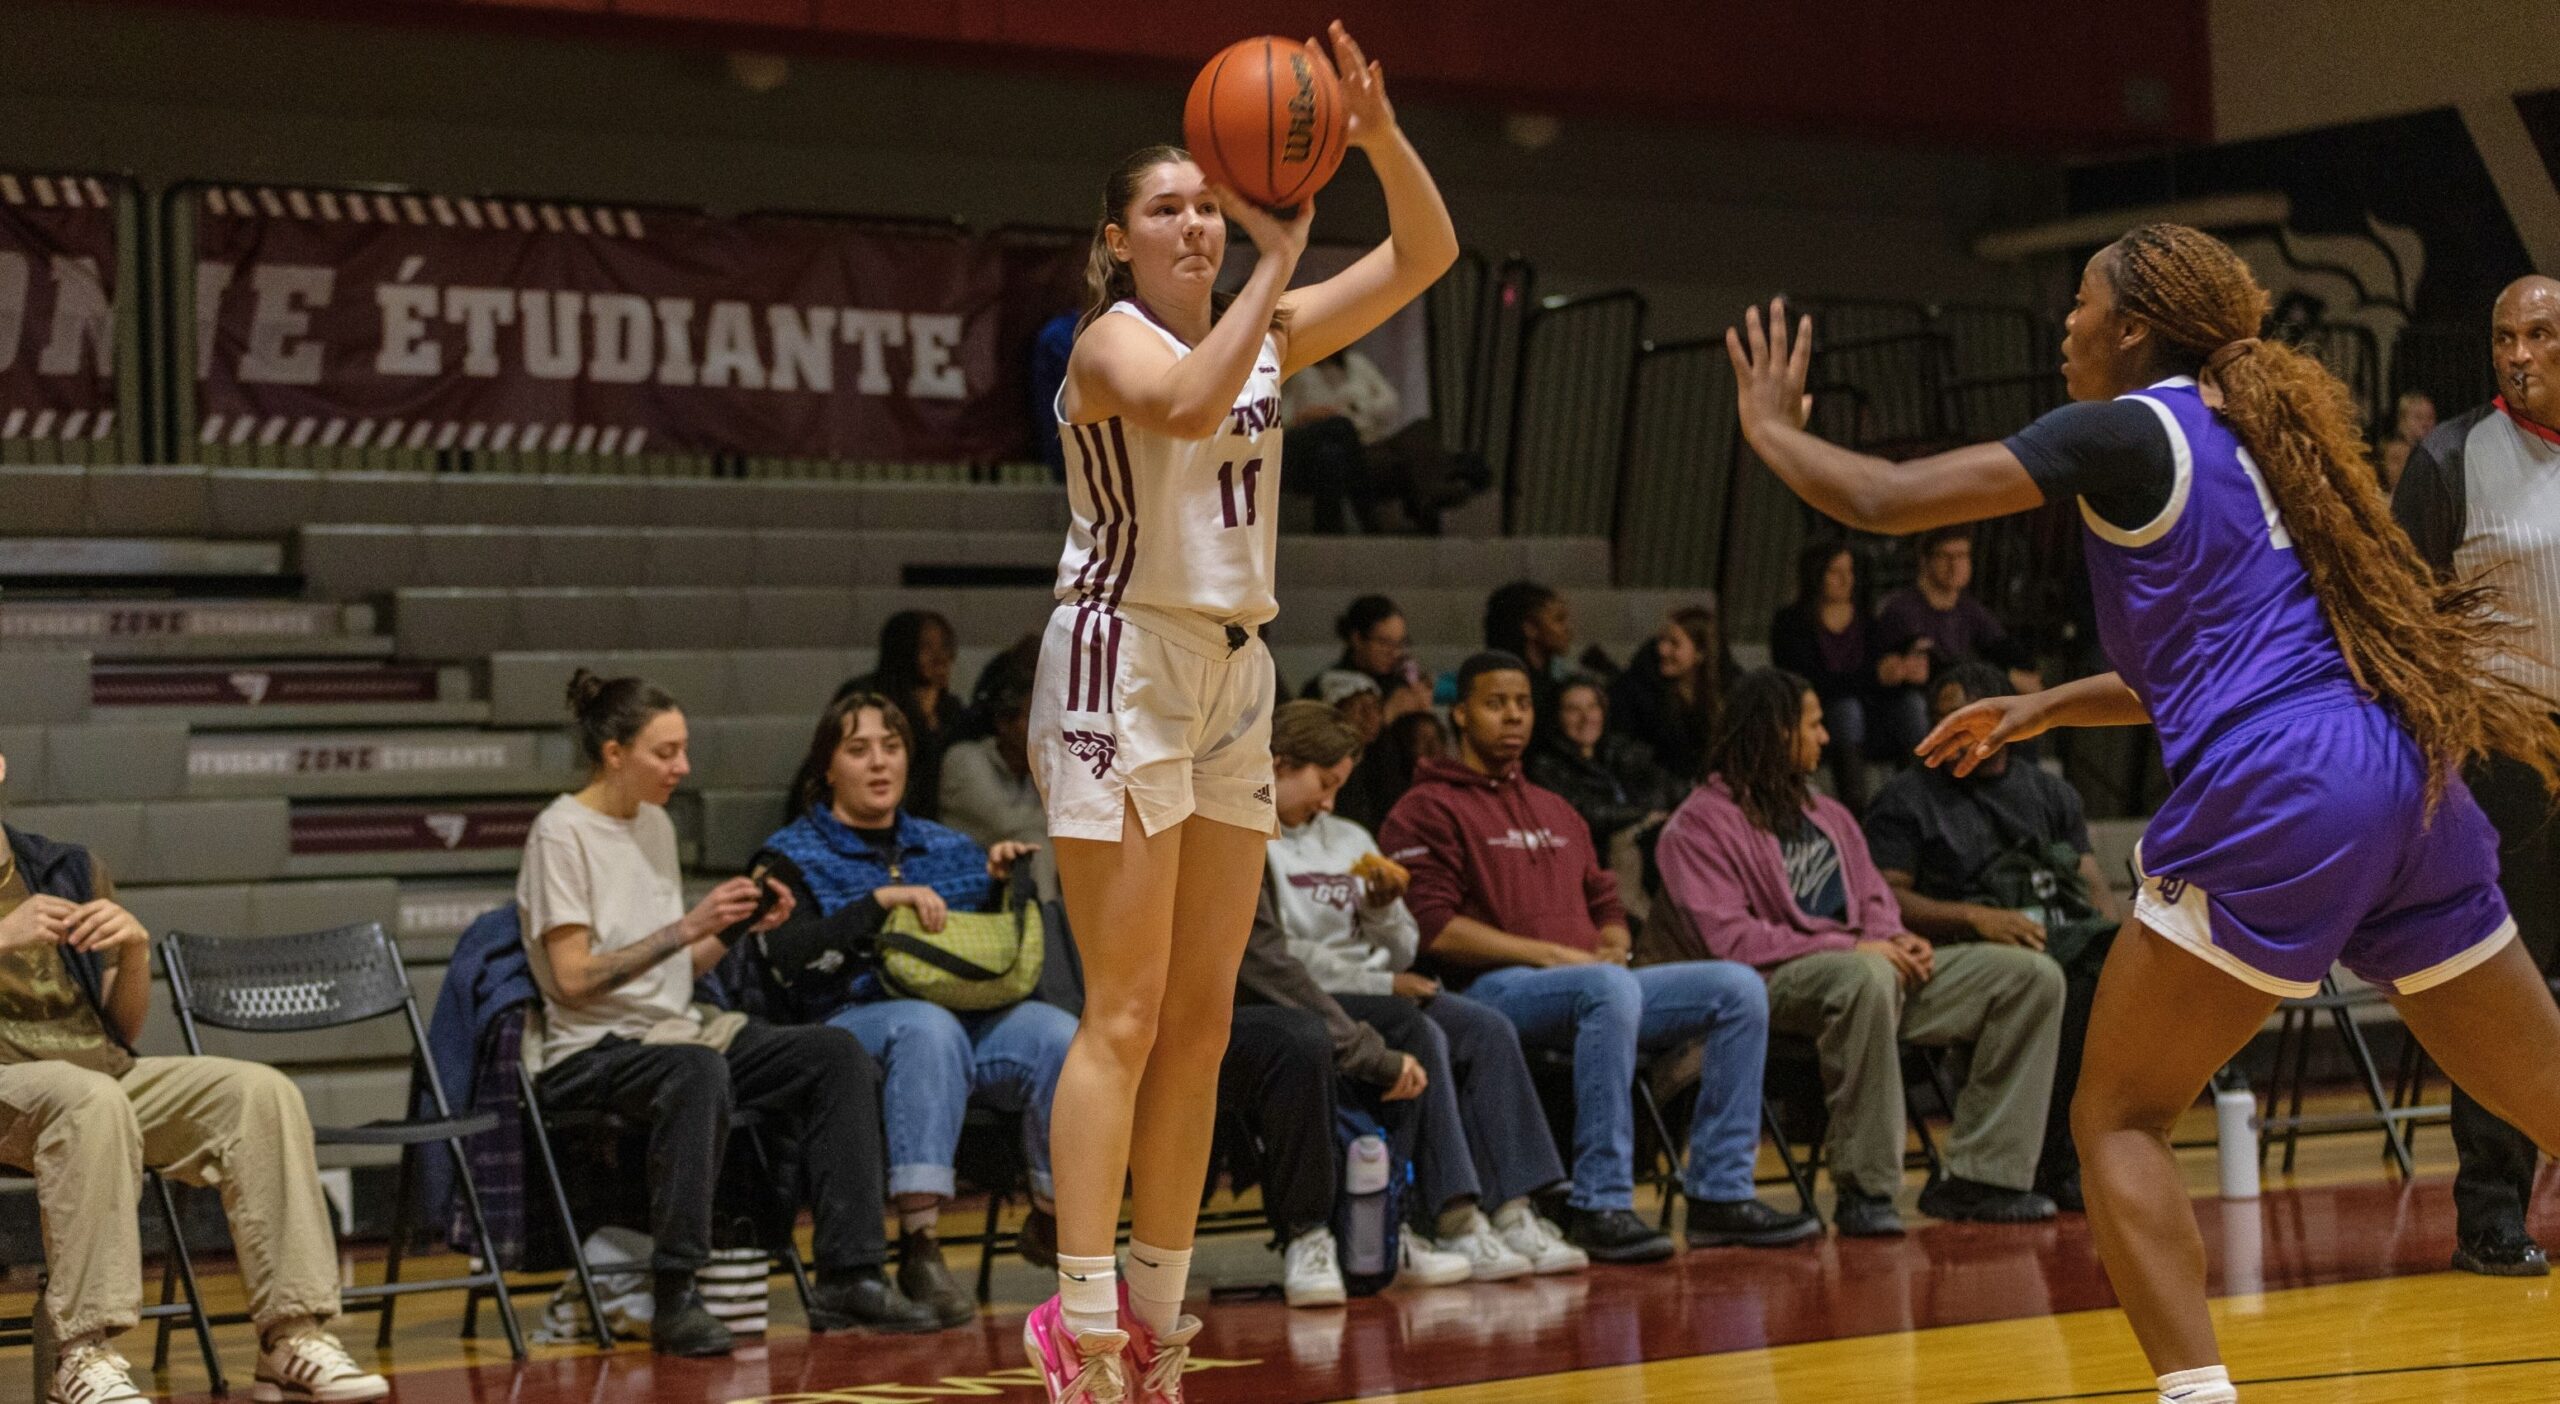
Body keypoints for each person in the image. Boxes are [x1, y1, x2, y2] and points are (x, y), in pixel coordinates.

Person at [1725, 225, 2560, 1404]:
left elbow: (1884, 498)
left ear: (2131, 325)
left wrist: (1768, 427)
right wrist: (2045, 707)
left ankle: (2195, 1395)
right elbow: (2235, 658)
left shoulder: (2127, 426)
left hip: (2284, 790)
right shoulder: (2271, 445)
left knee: (2115, 1115)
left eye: (2077, 302)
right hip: (2401, 774)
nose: (2063, 325)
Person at [1022, 23, 1459, 1401]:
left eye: (1209, 203)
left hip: (1232, 669)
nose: (1197, 222)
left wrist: (1377, 140)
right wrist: (1276, 261)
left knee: (1207, 1021)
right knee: (1129, 1012)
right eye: (1171, 209)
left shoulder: (1264, 314)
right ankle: (1077, 1314)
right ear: (1118, 238)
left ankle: (1154, 1314)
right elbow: (1185, 401)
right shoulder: (1109, 341)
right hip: (1118, 662)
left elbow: (1429, 256)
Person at [517, 671, 938, 1356]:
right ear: (614, 753)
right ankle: (677, 1288)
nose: (682, 767)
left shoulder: (652, 822)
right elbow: (570, 981)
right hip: (589, 1048)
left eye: (684, 750)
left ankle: (850, 1272)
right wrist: (687, 927)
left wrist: (736, 928)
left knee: (834, 1055)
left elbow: (674, 971)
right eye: (666, 753)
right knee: (696, 1069)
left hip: (675, 1027)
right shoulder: (559, 834)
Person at [1379, 652, 1820, 1262]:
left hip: (1590, 983)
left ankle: (1721, 1192)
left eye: (1524, 703)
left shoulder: (1556, 808)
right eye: (1495, 703)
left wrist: (1614, 937)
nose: (1513, 716)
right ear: (1460, 714)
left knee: (1737, 987)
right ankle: (1601, 1201)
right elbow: (1433, 929)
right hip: (1487, 992)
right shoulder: (1424, 808)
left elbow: (1604, 895)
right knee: (1607, 990)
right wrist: (1553, 956)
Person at [0, 750, 391, 1404]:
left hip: (95, 1073)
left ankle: (289, 1337)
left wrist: (134, 950)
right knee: (88, 1100)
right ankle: (84, 1353)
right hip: (21, 1084)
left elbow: (122, 1031)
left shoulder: (65, 869)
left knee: (258, 1094)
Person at [1656, 669, 2064, 1236]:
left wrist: (1898, 937)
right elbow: (1731, 943)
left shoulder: (1830, 816)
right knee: (1865, 975)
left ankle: (1982, 1177)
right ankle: (1866, 1191)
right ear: (1775, 732)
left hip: (1864, 970)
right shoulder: (1698, 826)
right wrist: (1857, 945)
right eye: (1814, 724)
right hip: (1772, 987)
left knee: (2029, 977)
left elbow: (1876, 899)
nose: (1825, 738)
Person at [728, 691, 1076, 1328]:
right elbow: (788, 961)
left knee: (1059, 1034)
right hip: (841, 1026)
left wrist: (1003, 883)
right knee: (927, 1027)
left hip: (958, 1019)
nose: (878, 763)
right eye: (858, 750)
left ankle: (1055, 1219)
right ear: (826, 767)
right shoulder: (788, 856)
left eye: (891, 748)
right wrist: (878, 904)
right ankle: (921, 1244)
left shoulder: (947, 845)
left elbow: (991, 953)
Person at [1249, 700, 1583, 1283]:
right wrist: (1378, 980)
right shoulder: (1252, 840)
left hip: (1381, 982)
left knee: (1484, 1026)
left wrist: (1380, 912)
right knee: (1420, 1031)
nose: (1329, 802)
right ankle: (1451, 1216)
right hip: (1324, 995)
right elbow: (1276, 959)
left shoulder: (1349, 835)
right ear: (1279, 763)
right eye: (1323, 784)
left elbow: (1403, 946)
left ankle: (1511, 1210)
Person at [2391, 274, 2560, 1277]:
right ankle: (2491, 1214)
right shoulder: (2451, 457)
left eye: (2537, 334)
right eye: (2504, 336)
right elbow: (2406, 623)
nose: (2517, 353)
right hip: (2503, 752)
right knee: (2510, 986)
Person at [1863, 660, 2123, 1209]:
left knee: (2107, 973)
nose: (1940, 732)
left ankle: (2075, 1156)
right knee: (2058, 982)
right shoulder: (1906, 798)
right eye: (1936, 719)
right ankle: (2045, 1163)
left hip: (2052, 934)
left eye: (1957, 720)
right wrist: (1974, 919)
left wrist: (2120, 942)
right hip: (1961, 947)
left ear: (2001, 721)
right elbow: (1888, 899)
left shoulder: (2050, 794)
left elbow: (2091, 881)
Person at [1768, 539, 1929, 810]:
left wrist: (1901, 671)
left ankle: (1917, 800)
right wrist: (1873, 676)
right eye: (1835, 572)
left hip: (1872, 716)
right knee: (1846, 709)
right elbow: (1808, 682)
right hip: (1824, 720)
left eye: (1850, 571)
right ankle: (1855, 808)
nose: (1846, 580)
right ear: (1816, 575)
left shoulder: (1866, 621)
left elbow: (1879, 675)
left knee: (1912, 705)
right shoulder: (1791, 623)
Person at [1526, 675, 1680, 866]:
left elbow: (1667, 786)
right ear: (1556, 716)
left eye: (1593, 707)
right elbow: (1586, 814)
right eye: (1573, 710)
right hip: (1595, 861)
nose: (1586, 717)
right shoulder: (1545, 767)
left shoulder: (1619, 750)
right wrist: (1645, 814)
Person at [840, 610, 963, 822]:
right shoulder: (865, 699)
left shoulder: (951, 710)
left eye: (945, 646)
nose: (940, 657)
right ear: (903, 651)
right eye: (926, 647)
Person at [941, 679, 1058, 901]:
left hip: (1011, 875)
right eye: (1035, 717)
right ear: (1004, 723)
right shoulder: (965, 758)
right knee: (1036, 844)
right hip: (966, 876)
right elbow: (1004, 822)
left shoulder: (1035, 767)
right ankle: (1048, 930)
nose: (1046, 727)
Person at [1608, 605, 1735, 784]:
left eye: (1674, 643)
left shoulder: (1729, 691)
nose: (1662, 650)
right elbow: (1626, 751)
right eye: (1662, 640)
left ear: (1700, 653)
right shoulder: (1636, 689)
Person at [1301, 594, 1435, 722]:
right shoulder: (1327, 686)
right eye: (1384, 643)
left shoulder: (1400, 683)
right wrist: (1388, 714)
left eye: (1400, 643)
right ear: (1357, 639)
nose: (1395, 652)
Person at [1481, 580, 1574, 756]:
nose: (1568, 629)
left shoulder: (1552, 682)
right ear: (1530, 628)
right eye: (1559, 619)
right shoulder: (1508, 687)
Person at [1336, 708, 1448, 836]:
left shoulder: (1452, 794)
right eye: (1422, 740)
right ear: (1404, 745)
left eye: (1437, 739)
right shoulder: (1389, 801)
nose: (1433, 748)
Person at [2377, 388, 2436, 493]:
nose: (2425, 424)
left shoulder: (2437, 456)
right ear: (2402, 421)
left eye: (2430, 417)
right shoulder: (2390, 447)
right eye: (2418, 417)